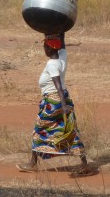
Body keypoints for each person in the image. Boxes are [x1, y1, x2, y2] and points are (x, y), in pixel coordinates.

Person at [16, 33, 88, 174]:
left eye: (45, 46)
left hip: (54, 101)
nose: (44, 49)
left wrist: (63, 105)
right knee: (70, 129)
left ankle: (33, 164)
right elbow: (62, 44)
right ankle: (84, 164)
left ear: (49, 49)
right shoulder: (62, 57)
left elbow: (58, 86)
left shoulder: (52, 64)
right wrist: (60, 31)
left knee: (39, 130)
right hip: (63, 98)